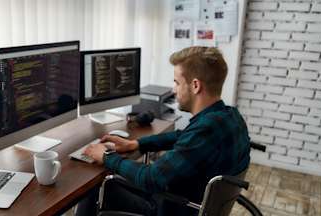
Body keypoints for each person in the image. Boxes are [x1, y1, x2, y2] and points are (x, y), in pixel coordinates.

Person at [77, 46, 250, 216]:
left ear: (195, 85)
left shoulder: (206, 130)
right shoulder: (230, 116)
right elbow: (182, 137)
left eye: (176, 82)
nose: (173, 89)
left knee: (97, 187)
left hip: (173, 207)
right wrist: (136, 143)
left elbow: (152, 178)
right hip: (191, 199)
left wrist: (107, 156)